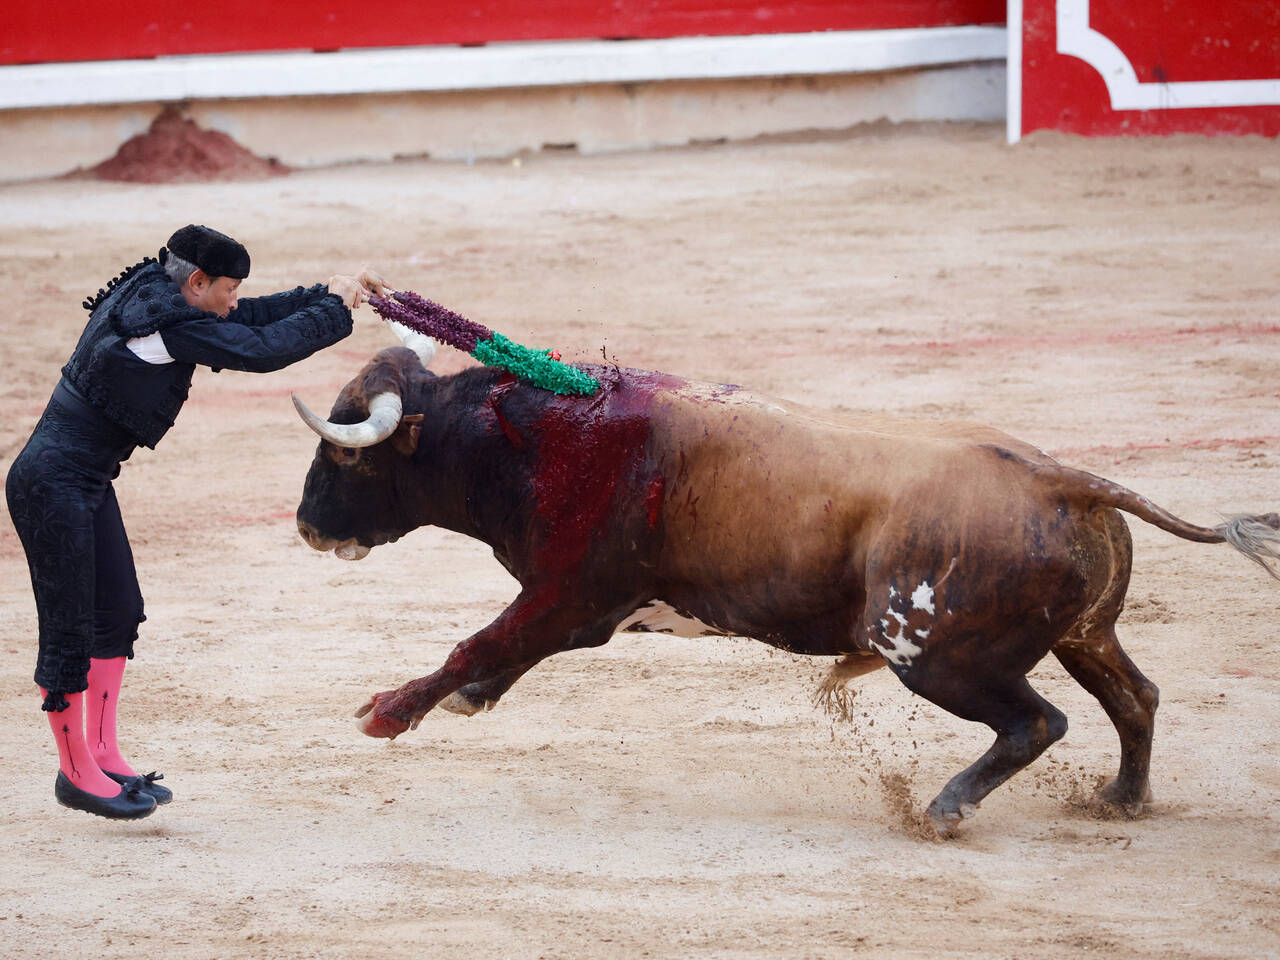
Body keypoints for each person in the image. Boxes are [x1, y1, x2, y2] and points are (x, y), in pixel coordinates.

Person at [5, 224, 388, 820]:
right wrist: (335, 310)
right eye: (228, 289)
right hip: (52, 486)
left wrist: (329, 293)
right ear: (197, 281)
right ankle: (74, 770)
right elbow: (261, 350)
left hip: (80, 479)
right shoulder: (166, 323)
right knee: (70, 629)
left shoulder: (161, 291)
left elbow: (252, 317)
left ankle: (103, 753)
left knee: (117, 611)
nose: (234, 299)